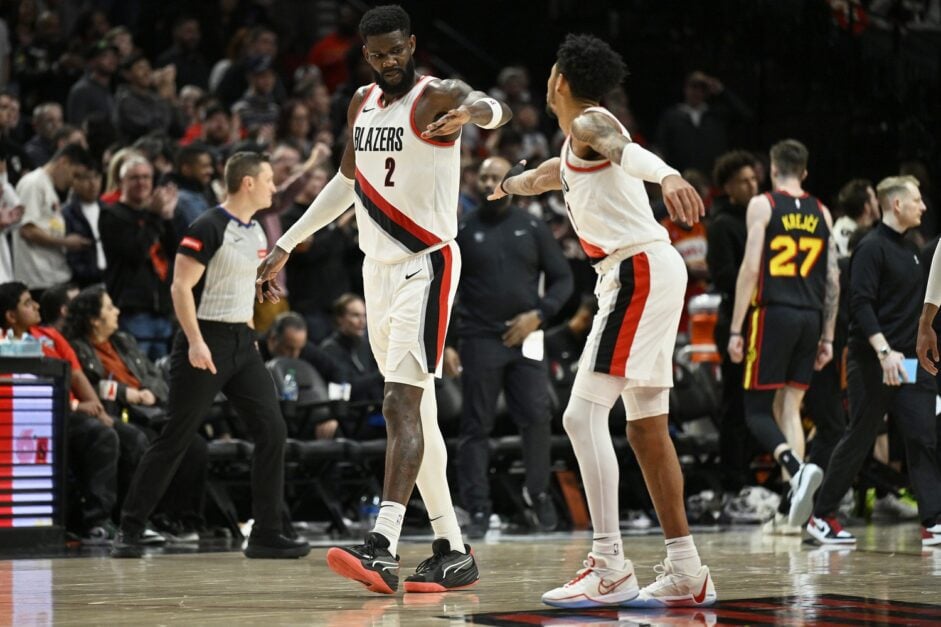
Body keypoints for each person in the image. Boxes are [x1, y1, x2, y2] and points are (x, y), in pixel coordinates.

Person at [256, 4, 511, 594]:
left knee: (400, 403)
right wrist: (288, 244)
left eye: (398, 50)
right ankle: (452, 548)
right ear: (365, 55)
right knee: (415, 413)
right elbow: (348, 183)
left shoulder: (433, 96)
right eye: (378, 54)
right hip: (377, 271)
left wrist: (472, 110)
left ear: (413, 43)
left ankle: (382, 545)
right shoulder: (362, 104)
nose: (390, 61)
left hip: (426, 263)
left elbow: (490, 105)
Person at [490, 34, 714, 608]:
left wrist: (666, 175)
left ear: (559, 80)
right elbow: (544, 176)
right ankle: (688, 569)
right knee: (644, 428)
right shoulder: (572, 145)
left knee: (580, 414)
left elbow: (624, 148)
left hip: (635, 271)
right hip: (648, 270)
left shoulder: (591, 123)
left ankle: (610, 563)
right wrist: (508, 182)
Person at [110, 152, 308, 559]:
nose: (274, 187)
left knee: (273, 430)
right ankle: (128, 529)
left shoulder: (255, 232)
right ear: (248, 183)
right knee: (175, 437)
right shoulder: (207, 225)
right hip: (203, 340)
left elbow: (233, 279)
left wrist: (258, 290)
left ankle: (267, 533)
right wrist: (196, 341)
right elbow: (180, 288)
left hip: (242, 341)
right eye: (269, 180)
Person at [809, 176, 941, 547]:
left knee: (922, 436)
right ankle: (821, 517)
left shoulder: (913, 248)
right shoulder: (870, 248)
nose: (924, 206)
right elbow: (860, 306)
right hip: (874, 363)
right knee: (859, 438)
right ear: (896, 204)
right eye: (917, 200)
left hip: (910, 365)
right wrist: (883, 351)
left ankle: (932, 520)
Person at [448, 156, 573, 538]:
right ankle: (478, 508)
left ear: (511, 181)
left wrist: (539, 315)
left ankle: (537, 494)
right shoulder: (463, 229)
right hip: (480, 337)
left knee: (537, 415)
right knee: (476, 424)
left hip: (528, 336)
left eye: (495, 175)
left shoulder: (532, 226)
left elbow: (563, 279)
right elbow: (446, 290)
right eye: (482, 175)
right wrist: (450, 342)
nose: (488, 181)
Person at [727, 140, 839, 533]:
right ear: (804, 172)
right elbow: (832, 280)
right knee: (790, 406)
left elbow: (750, 268)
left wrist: (737, 327)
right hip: (810, 316)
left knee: (756, 409)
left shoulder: (764, 204)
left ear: (773, 169)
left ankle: (796, 468)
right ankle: (797, 505)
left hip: (773, 312)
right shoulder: (822, 212)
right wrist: (828, 335)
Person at [705, 150, 758, 498]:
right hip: (735, 321)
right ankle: (734, 482)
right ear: (728, 187)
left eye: (755, 179)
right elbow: (722, 275)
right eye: (744, 181)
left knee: (759, 404)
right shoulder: (723, 224)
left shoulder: (761, 218)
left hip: (763, 319)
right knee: (736, 404)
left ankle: (754, 477)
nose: (753, 185)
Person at [13, 143, 94, 293]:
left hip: (54, 275)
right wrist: (66, 242)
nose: (73, 181)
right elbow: (27, 230)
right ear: (63, 162)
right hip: (38, 280)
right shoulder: (33, 183)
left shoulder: (48, 186)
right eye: (74, 174)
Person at [62, 165, 106, 286]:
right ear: (74, 181)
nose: (93, 183)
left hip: (110, 276)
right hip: (84, 281)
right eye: (86, 178)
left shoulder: (108, 209)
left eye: (96, 177)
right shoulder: (66, 214)